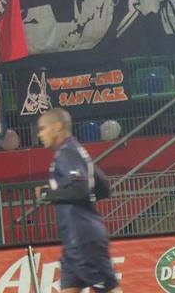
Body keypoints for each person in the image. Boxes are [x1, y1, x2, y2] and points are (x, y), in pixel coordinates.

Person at [36, 108, 123, 293]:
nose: (39, 134)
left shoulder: (66, 153)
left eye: (43, 128)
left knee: (108, 289)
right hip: (74, 241)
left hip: (82, 238)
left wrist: (48, 194)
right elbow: (103, 187)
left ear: (57, 127)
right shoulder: (77, 151)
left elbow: (80, 188)